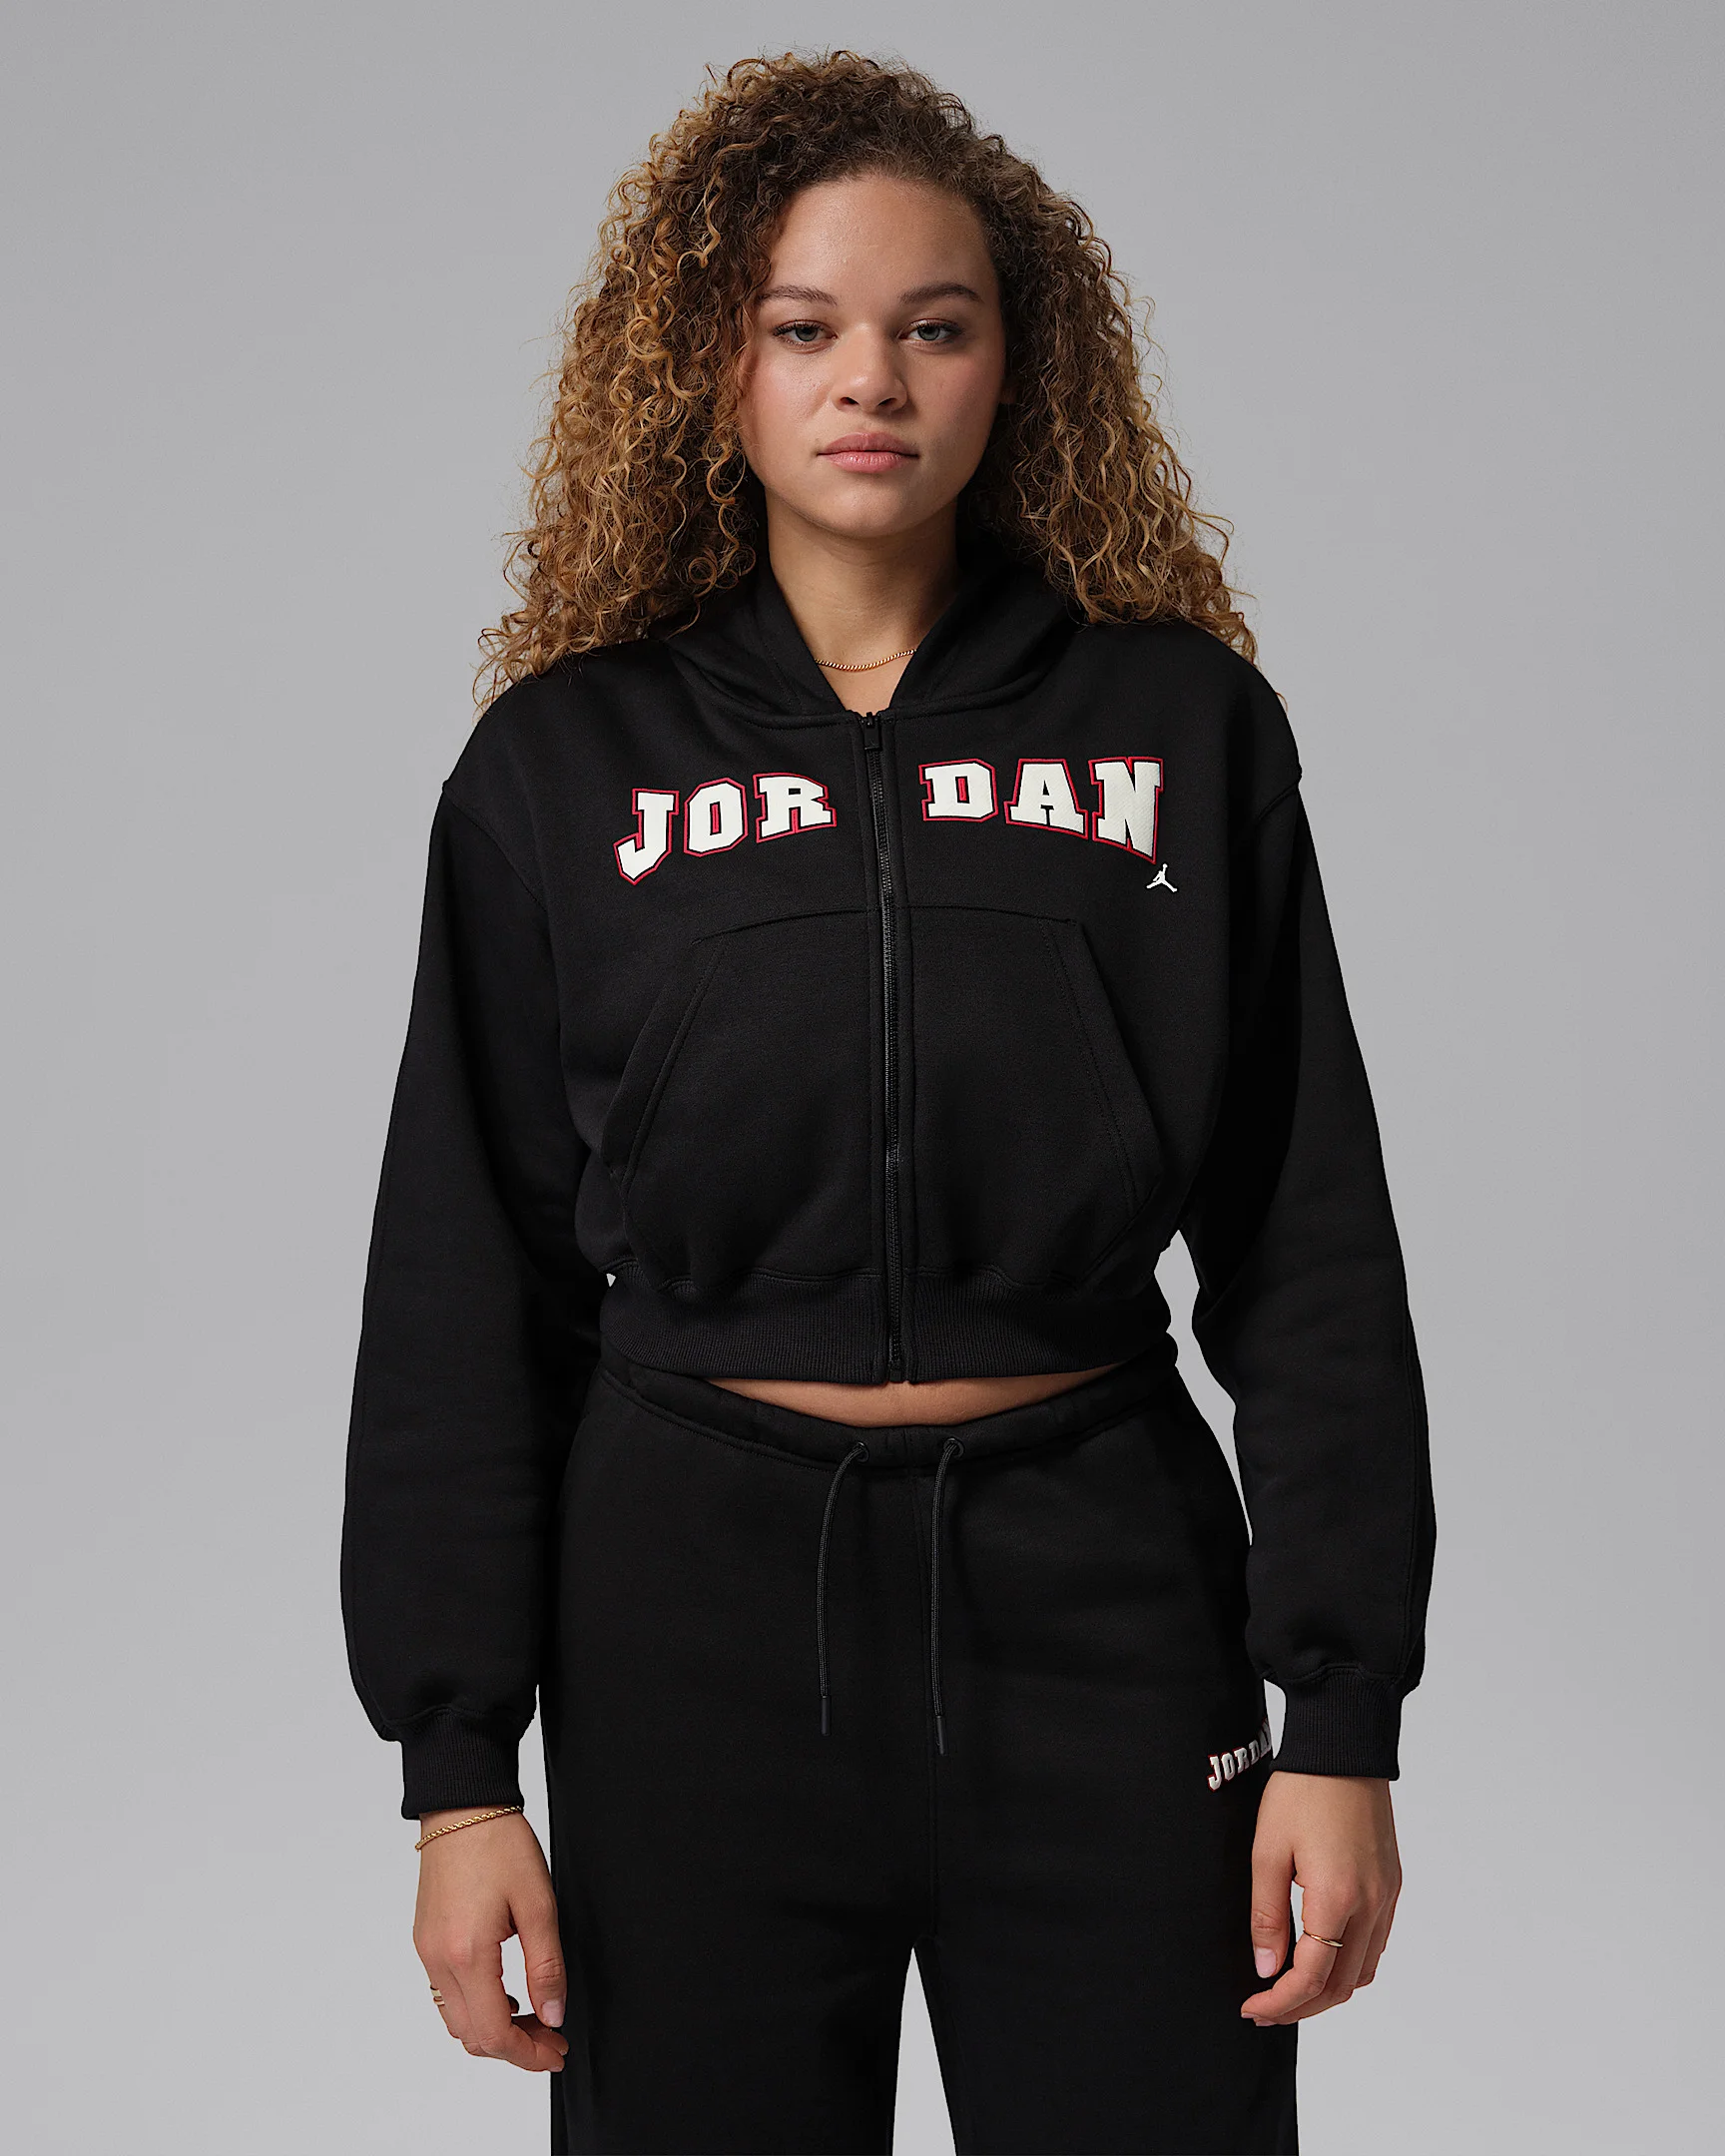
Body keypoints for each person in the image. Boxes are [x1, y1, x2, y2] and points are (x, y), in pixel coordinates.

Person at [339, 48, 1435, 2156]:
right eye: (805, 329)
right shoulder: (565, 766)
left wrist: (1343, 1718)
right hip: (690, 1622)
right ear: (715, 367)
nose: (873, 380)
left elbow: (1309, 1242)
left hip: (1101, 1601)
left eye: (937, 327)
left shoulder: (1180, 730)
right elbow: (464, 1284)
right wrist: (458, 1776)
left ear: (1017, 365)